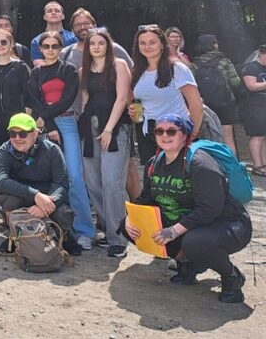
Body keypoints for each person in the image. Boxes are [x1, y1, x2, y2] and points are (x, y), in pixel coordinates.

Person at [124, 115, 251, 303]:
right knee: (129, 227)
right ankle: (190, 263)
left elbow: (210, 209)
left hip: (228, 224)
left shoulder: (200, 164)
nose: (165, 135)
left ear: (184, 136)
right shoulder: (154, 163)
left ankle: (231, 276)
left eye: (171, 131)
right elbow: (146, 199)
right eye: (159, 131)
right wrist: (129, 219)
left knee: (194, 242)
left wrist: (172, 231)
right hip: (190, 223)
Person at [28, 31, 95, 249]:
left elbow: (67, 99)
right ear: (40, 49)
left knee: (74, 176)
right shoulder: (36, 72)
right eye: (46, 46)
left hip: (66, 122)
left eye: (54, 46)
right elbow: (33, 99)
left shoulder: (68, 70)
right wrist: (49, 126)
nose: (50, 50)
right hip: (43, 126)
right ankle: (55, 227)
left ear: (60, 48)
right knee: (47, 176)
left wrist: (51, 122)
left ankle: (85, 230)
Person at [0, 113, 82, 256]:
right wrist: (35, 195)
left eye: (23, 134)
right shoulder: (3, 151)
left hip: (48, 197)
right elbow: (1, 181)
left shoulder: (52, 150)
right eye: (13, 134)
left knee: (64, 214)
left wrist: (45, 206)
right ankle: (14, 235)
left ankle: (64, 235)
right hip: (22, 195)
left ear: (35, 134)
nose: (17, 138)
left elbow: (61, 184)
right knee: (9, 201)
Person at [78, 29, 132, 257]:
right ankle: (108, 229)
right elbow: (85, 100)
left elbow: (122, 98)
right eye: (92, 44)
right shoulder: (83, 70)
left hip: (114, 128)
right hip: (89, 128)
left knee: (112, 181)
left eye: (101, 43)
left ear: (108, 45)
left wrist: (108, 129)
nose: (97, 47)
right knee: (93, 182)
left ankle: (118, 237)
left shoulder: (118, 65)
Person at [129, 24, 203, 163]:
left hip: (174, 130)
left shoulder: (177, 69)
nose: (147, 46)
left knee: (176, 172)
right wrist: (133, 112)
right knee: (152, 173)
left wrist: (192, 133)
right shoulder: (136, 72)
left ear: (162, 44)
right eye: (142, 43)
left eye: (152, 42)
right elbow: (134, 102)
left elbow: (196, 104)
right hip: (147, 131)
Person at [192, 35, 242, 156]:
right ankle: (231, 162)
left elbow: (192, 85)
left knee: (208, 134)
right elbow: (235, 82)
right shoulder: (224, 61)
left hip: (205, 104)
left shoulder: (195, 64)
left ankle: (212, 162)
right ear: (214, 45)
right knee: (228, 136)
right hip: (225, 102)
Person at [240, 44, 266, 177]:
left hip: (263, 104)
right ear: (261, 54)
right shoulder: (250, 67)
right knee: (257, 135)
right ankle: (257, 165)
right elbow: (251, 86)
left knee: (264, 135)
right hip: (253, 105)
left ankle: (264, 164)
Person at [29, 1, 78, 65]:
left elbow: (77, 59)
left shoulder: (74, 38)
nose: (53, 13)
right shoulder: (36, 41)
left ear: (63, 16)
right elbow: (37, 63)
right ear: (44, 17)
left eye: (57, 11)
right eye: (49, 11)